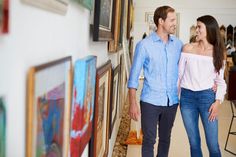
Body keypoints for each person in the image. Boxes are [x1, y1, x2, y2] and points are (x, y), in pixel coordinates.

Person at [128, 6, 183, 157]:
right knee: (149, 140)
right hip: (150, 101)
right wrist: (132, 102)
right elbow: (133, 78)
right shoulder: (144, 45)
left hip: (171, 101)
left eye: (175, 20)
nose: (175, 23)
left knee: (165, 139)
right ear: (160, 21)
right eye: (172, 20)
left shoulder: (179, 45)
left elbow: (188, 68)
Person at [178, 15, 226, 157]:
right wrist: (177, 98)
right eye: (196, 26)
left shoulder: (218, 52)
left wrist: (217, 102)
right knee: (194, 143)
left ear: (209, 29)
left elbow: (220, 82)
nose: (196, 30)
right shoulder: (187, 48)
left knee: (213, 145)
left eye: (199, 27)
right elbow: (179, 76)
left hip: (207, 98)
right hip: (187, 99)